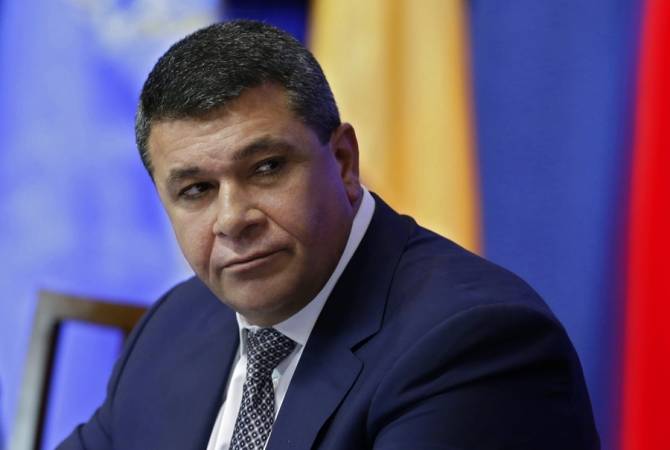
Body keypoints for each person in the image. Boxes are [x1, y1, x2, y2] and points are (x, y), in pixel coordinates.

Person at [59, 20, 599, 450]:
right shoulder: (175, 325)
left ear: (342, 162)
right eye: (196, 190)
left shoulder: (472, 346)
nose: (233, 218)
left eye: (267, 168)